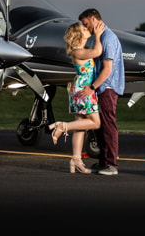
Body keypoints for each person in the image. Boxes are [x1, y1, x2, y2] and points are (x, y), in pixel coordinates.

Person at [48, 22, 103, 174]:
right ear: (78, 36)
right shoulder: (78, 52)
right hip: (84, 90)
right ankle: (62, 126)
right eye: (84, 29)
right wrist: (98, 35)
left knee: (81, 125)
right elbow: (98, 51)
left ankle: (76, 159)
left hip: (79, 88)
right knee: (96, 123)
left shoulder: (80, 51)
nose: (87, 30)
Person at [78, 8, 124, 175]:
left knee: (108, 125)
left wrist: (92, 88)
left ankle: (112, 165)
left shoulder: (108, 38)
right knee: (99, 125)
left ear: (93, 19)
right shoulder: (101, 38)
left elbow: (107, 69)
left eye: (86, 24)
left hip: (107, 87)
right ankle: (103, 162)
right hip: (101, 87)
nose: (85, 27)